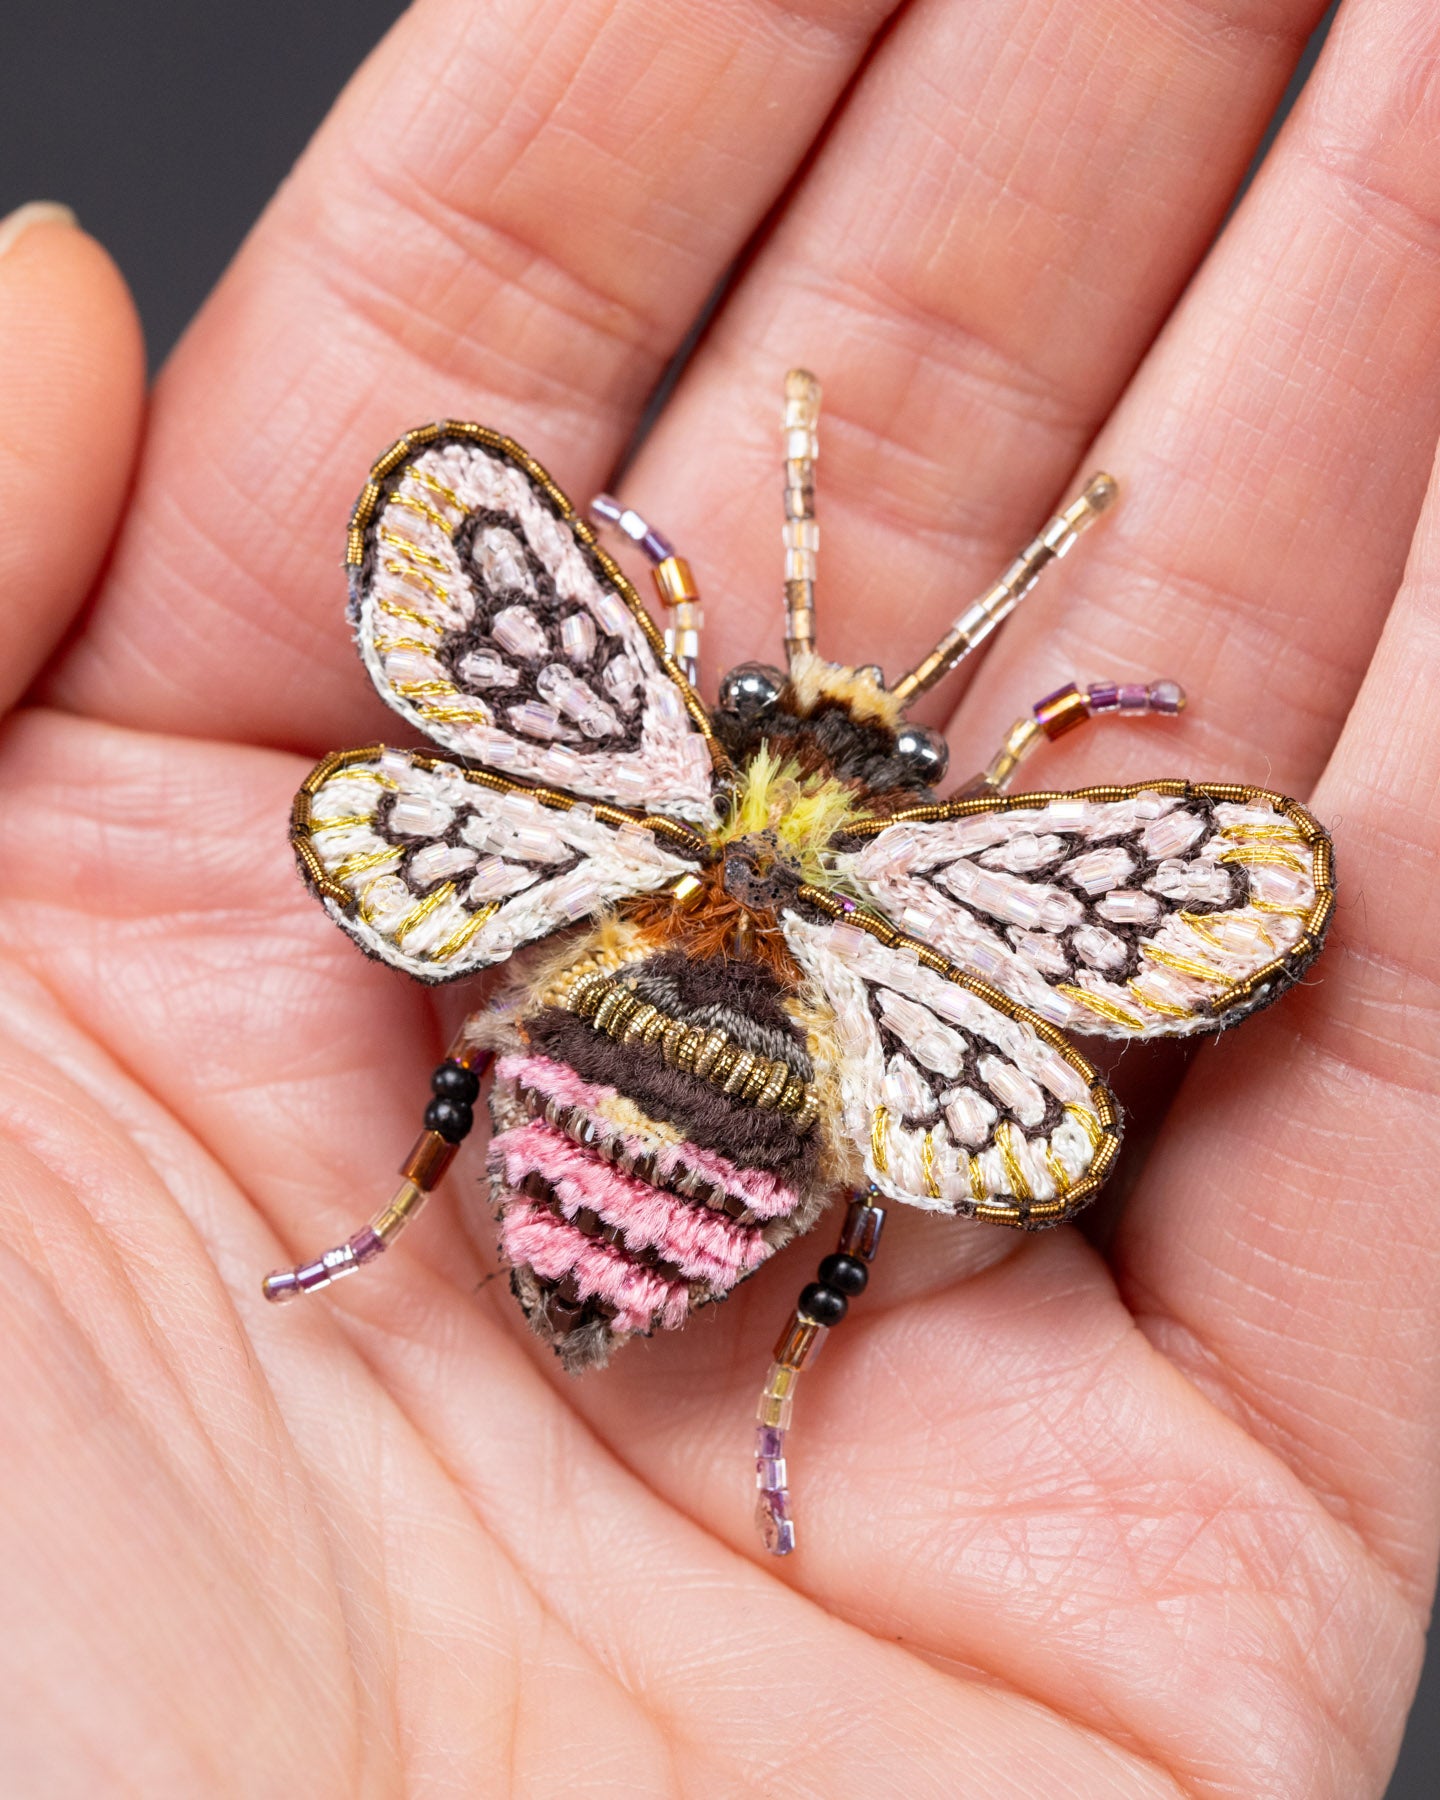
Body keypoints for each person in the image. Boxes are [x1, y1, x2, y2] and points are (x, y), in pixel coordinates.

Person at [2, 0, 1436, 1792]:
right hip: (784, 1050)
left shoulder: (689, 734)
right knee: (830, 1168)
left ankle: (446, 1249)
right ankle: (677, 1361)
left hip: (654, 960)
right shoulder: (904, 819)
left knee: (539, 1026)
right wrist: (1050, 720)